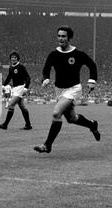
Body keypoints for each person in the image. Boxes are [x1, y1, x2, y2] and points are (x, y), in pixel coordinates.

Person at [34, 26, 100, 154]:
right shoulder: (53, 54)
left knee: (56, 113)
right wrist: (45, 78)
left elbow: (92, 65)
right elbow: (46, 68)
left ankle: (47, 145)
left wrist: (92, 81)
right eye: (59, 36)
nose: (60, 38)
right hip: (59, 90)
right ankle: (92, 125)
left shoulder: (78, 54)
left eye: (63, 36)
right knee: (72, 118)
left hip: (73, 89)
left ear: (69, 38)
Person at [0, 52, 32, 130]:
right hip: (15, 89)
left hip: (20, 88)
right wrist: (3, 85)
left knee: (11, 104)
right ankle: (28, 125)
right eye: (12, 57)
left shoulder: (21, 67)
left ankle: (5, 125)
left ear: (18, 58)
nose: (13, 59)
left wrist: (26, 88)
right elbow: (9, 77)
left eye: (15, 57)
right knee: (22, 107)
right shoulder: (11, 67)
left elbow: (28, 78)